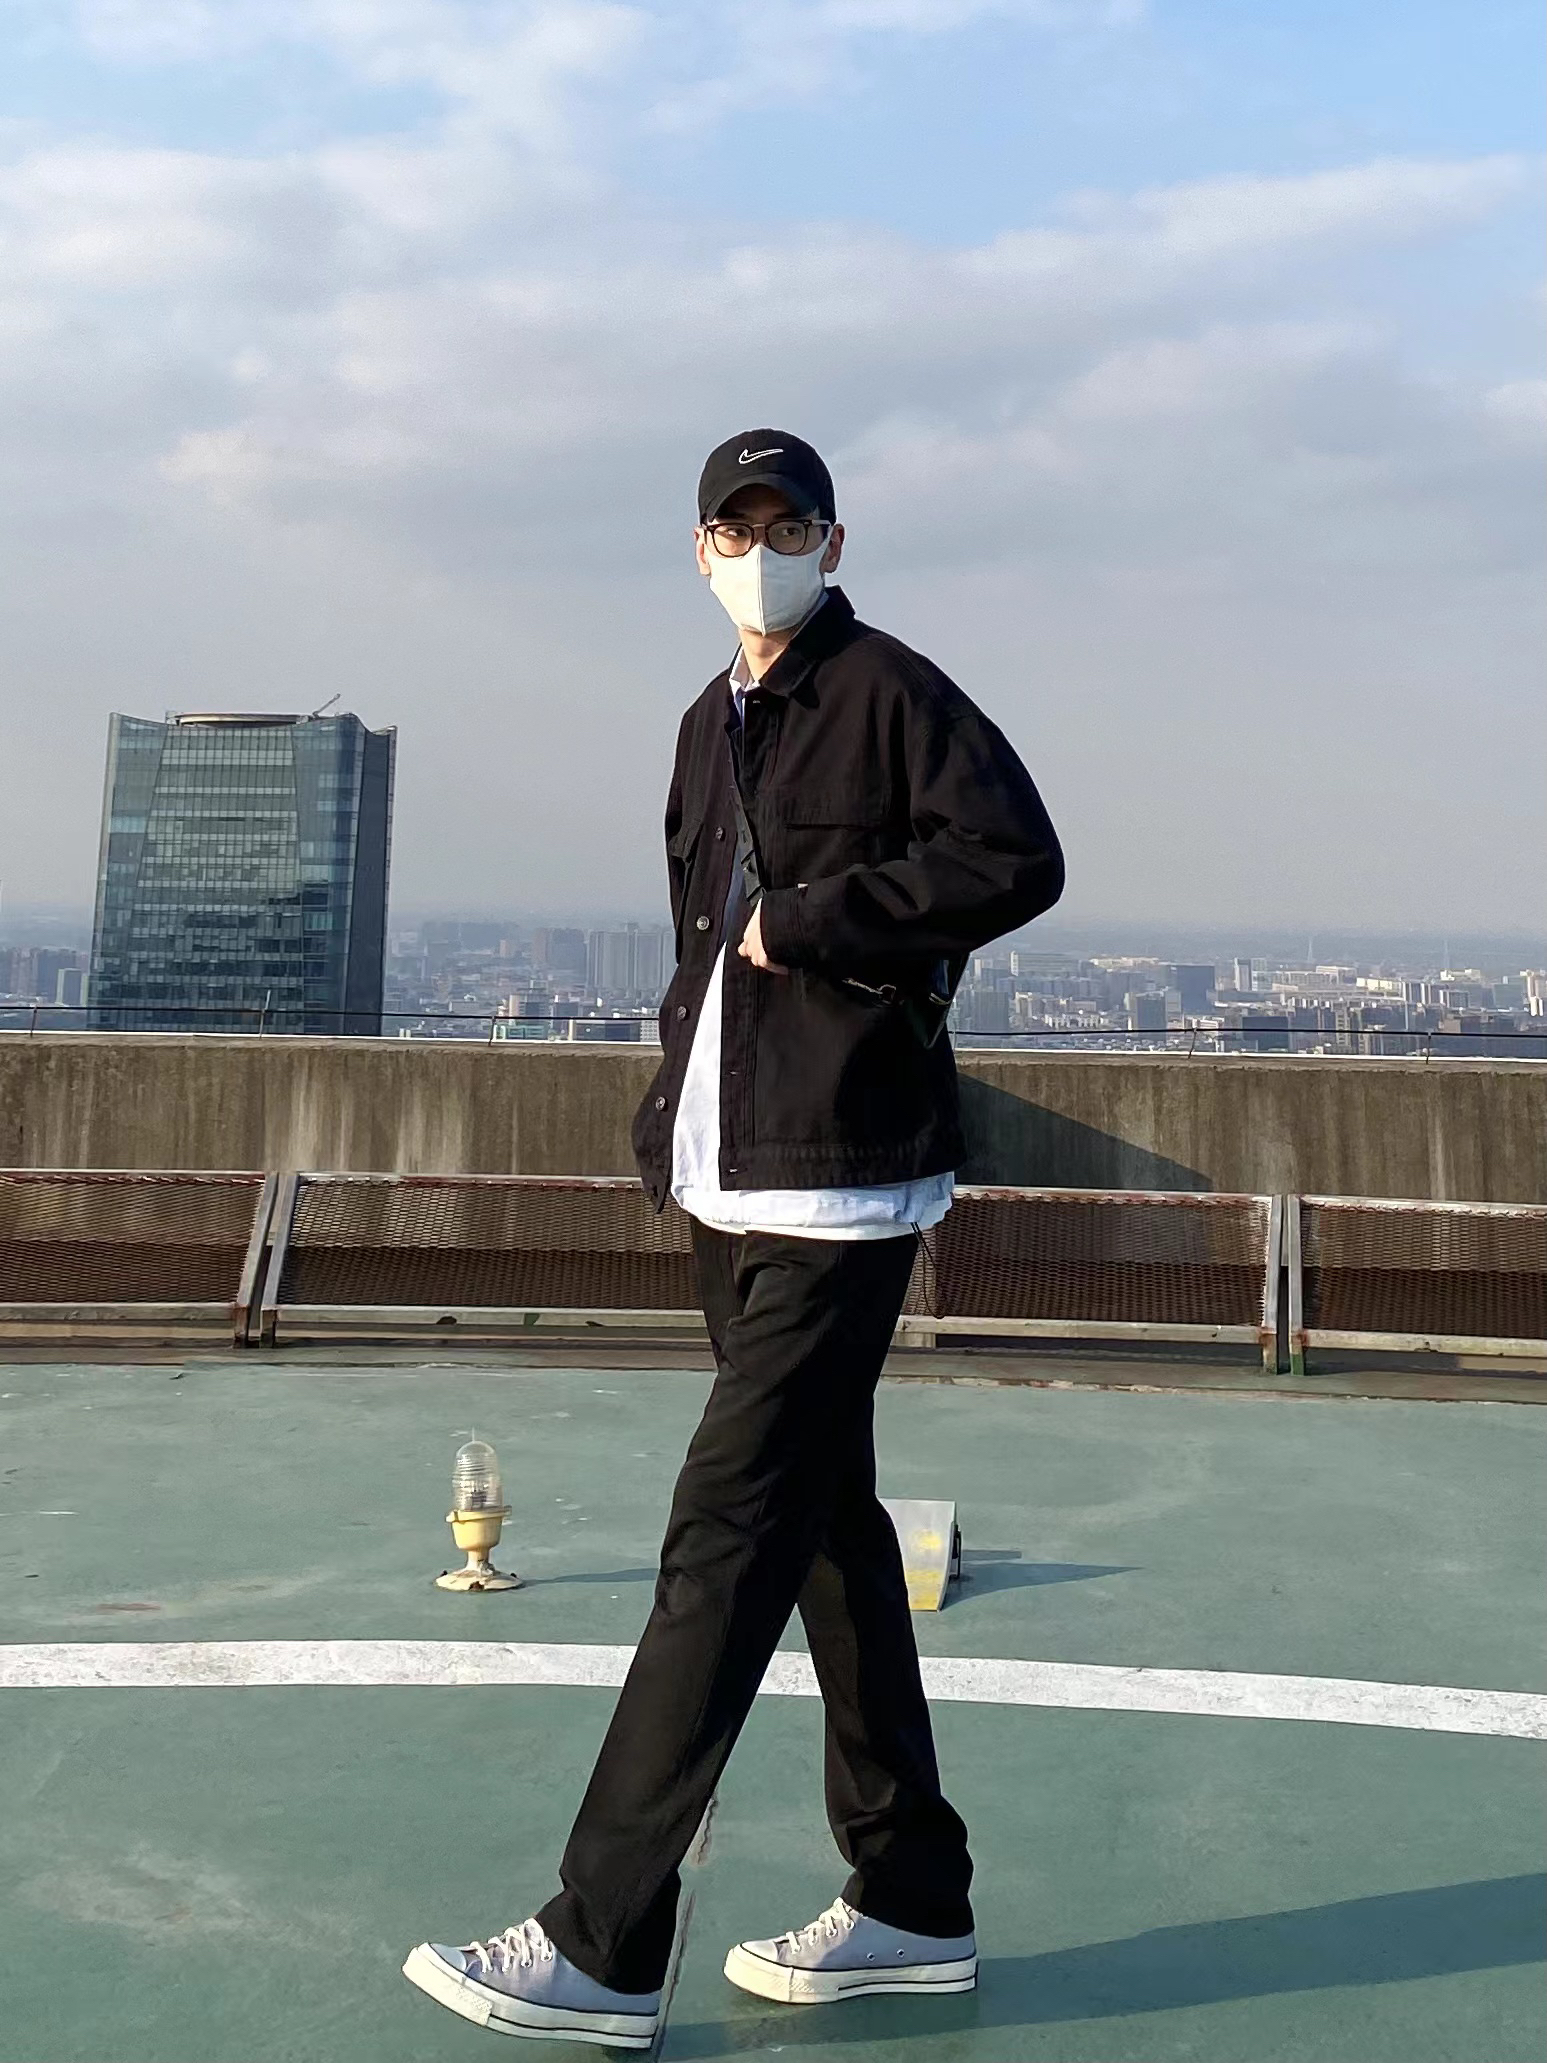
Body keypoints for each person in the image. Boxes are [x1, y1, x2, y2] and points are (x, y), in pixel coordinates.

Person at [404, 429, 1064, 2049]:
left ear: (833, 542)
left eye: (789, 524)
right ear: (699, 549)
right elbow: (705, 941)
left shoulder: (893, 690)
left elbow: (1015, 859)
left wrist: (819, 919)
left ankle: (605, 1941)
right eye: (735, 525)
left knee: (722, 1533)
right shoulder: (708, 721)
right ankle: (912, 1897)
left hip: (842, 1187)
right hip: (732, 1175)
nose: (761, 550)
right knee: (827, 1533)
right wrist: (672, 1114)